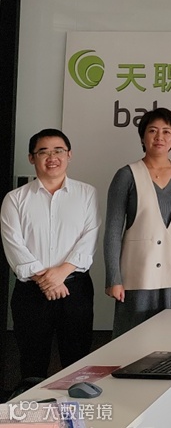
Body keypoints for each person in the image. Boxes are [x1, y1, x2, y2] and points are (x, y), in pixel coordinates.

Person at [1, 129, 99, 382]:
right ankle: (33, 406)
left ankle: (76, 407)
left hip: (75, 289)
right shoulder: (15, 199)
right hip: (31, 292)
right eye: (43, 152)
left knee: (77, 363)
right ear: (31, 158)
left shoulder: (86, 193)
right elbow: (14, 245)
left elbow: (89, 238)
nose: (52, 157)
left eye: (58, 151)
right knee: (32, 363)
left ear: (69, 155)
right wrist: (46, 279)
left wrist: (60, 274)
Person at [104, 108, 171, 338]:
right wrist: (114, 278)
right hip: (139, 273)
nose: (160, 137)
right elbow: (113, 230)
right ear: (142, 137)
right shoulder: (126, 175)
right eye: (152, 131)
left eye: (167, 131)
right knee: (134, 340)